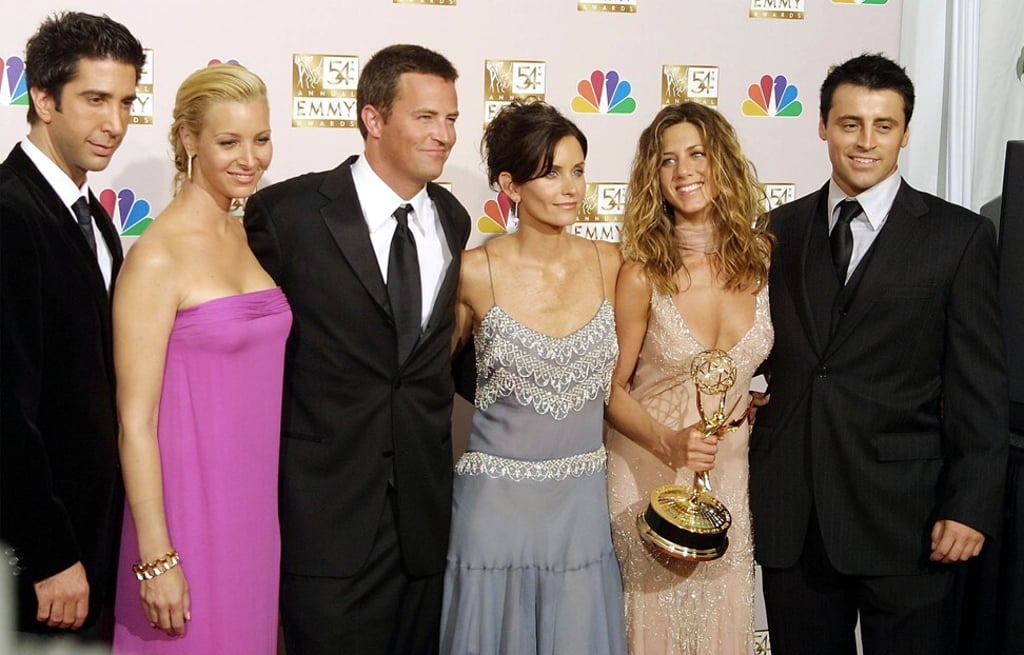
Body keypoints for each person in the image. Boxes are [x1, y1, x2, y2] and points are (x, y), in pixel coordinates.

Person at [748, 53, 1007, 655]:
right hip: (797, 515)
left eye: (883, 126)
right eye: (849, 124)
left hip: (908, 519)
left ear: (905, 133)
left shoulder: (959, 237)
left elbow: (980, 388)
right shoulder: (775, 232)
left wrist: (970, 506)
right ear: (822, 126)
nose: (865, 142)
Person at [243, 44, 470, 655]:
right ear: (373, 119)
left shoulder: (452, 217)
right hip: (325, 513)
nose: (444, 134)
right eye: (426, 117)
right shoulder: (286, 214)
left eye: (451, 118)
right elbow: (250, 362)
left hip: (422, 517)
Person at [108, 64, 290, 653]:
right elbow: (134, 422)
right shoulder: (157, 257)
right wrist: (156, 556)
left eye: (260, 139)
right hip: (186, 514)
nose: (251, 158)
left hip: (254, 516)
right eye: (229, 141)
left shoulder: (243, 233)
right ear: (189, 140)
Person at [440, 101, 627, 655]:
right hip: (494, 509)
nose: (570, 187)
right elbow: (423, 383)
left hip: (580, 508)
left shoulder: (613, 263)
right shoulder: (475, 271)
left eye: (577, 169)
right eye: (550, 172)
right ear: (510, 185)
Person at [604, 102, 773, 654]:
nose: (684, 171)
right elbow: (611, 389)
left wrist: (758, 396)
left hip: (729, 475)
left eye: (697, 153)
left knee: (723, 626)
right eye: (668, 160)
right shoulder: (642, 272)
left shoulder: (765, 258)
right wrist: (670, 442)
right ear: (654, 178)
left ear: (721, 161)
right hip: (647, 473)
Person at [0, 11, 145, 643]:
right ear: (42, 99)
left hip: (95, 538)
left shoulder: (94, 218)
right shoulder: (10, 212)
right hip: (37, 557)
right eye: (94, 99)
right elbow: (5, 406)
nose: (113, 123)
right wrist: (50, 552)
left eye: (125, 102)